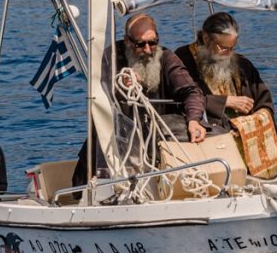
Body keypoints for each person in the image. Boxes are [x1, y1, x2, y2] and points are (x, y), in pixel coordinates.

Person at [72, 13, 207, 187]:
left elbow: (191, 91)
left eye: (153, 42)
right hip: (115, 143)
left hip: (157, 142)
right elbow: (101, 94)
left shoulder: (166, 57)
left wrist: (194, 120)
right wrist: (121, 87)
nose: (148, 50)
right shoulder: (111, 57)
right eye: (140, 44)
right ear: (127, 41)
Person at [175, 12, 274, 128]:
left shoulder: (243, 64)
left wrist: (256, 119)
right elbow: (181, 99)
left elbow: (265, 102)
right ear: (206, 38)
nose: (228, 54)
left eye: (232, 47)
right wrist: (225, 101)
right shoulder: (182, 60)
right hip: (209, 131)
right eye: (223, 48)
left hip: (245, 130)